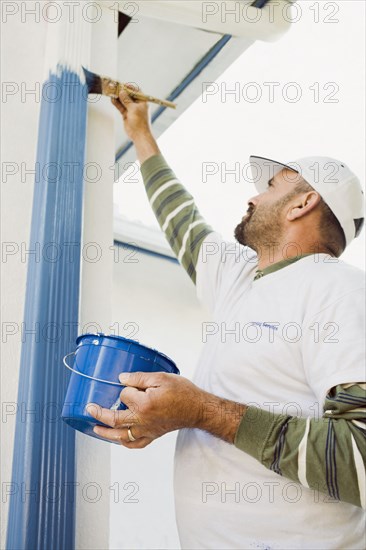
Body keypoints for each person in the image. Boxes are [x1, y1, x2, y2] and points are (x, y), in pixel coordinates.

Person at [87, 88, 366, 549]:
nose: (253, 197)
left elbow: (361, 460)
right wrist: (140, 130)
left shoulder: (339, 292)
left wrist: (201, 411)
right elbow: (183, 221)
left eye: (271, 186)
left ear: (303, 204)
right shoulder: (241, 280)